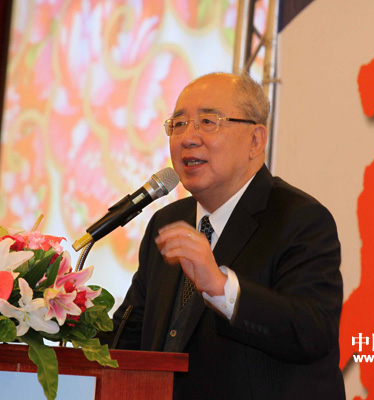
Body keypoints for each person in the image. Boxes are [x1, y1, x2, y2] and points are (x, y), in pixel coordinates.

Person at [105, 72, 345, 399]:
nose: (188, 138)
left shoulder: (299, 218)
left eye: (208, 122)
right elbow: (128, 338)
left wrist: (220, 287)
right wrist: (58, 319)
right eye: (178, 124)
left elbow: (311, 332)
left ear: (255, 140)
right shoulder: (168, 221)